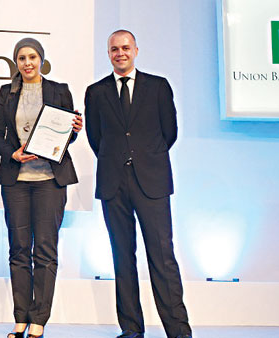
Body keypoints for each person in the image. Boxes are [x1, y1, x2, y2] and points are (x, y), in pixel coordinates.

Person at [84, 29, 193, 338]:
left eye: (125, 47)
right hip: (113, 182)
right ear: (108, 53)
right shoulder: (96, 92)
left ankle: (178, 331)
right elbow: (96, 138)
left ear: (136, 50)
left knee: (162, 256)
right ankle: (131, 329)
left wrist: (145, 157)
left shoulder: (158, 87)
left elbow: (168, 133)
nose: (120, 53)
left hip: (152, 181)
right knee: (122, 257)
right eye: (114, 49)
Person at [0, 38, 83, 338]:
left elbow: (68, 134)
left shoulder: (59, 90)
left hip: (49, 183)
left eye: (32, 57)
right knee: (18, 250)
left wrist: (75, 130)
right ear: (16, 62)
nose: (27, 63)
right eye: (21, 58)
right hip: (16, 181)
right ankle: (21, 317)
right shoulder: (6, 92)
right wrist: (11, 153)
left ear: (41, 59)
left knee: (44, 250)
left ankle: (39, 318)